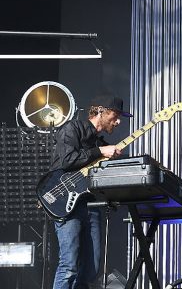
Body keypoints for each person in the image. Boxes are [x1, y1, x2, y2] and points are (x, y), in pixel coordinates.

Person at [50, 95, 132, 289]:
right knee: (69, 265)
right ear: (101, 111)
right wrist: (100, 152)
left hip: (91, 204)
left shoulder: (100, 142)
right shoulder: (73, 129)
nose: (118, 121)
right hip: (66, 204)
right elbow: (66, 161)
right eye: (115, 115)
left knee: (92, 269)